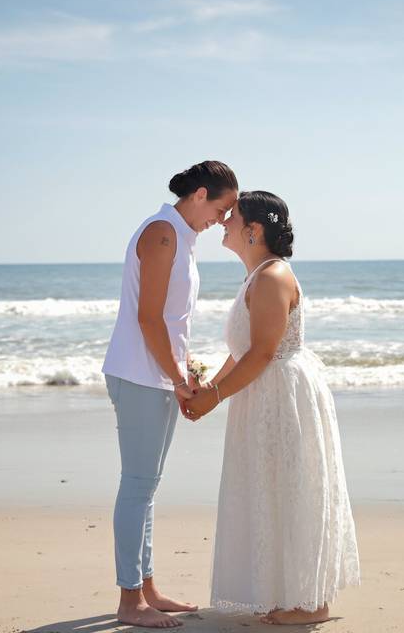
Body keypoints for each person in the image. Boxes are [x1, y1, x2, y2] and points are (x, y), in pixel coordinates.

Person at [184, 190, 361, 625]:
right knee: (270, 489)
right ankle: (287, 593)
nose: (224, 222)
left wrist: (215, 397)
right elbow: (242, 350)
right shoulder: (256, 275)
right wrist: (210, 385)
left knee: (289, 487)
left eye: (233, 217)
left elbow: (262, 353)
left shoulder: (272, 277)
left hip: (283, 396)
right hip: (262, 394)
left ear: (254, 230)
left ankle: (311, 602)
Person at [102, 161, 238, 628]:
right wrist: (179, 379)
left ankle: (148, 588)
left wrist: (182, 371)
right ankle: (129, 601)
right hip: (140, 374)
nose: (222, 220)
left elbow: (173, 322)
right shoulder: (163, 232)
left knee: (147, 487)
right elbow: (149, 318)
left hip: (156, 373)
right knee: (136, 486)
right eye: (221, 209)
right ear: (200, 194)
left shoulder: (181, 235)